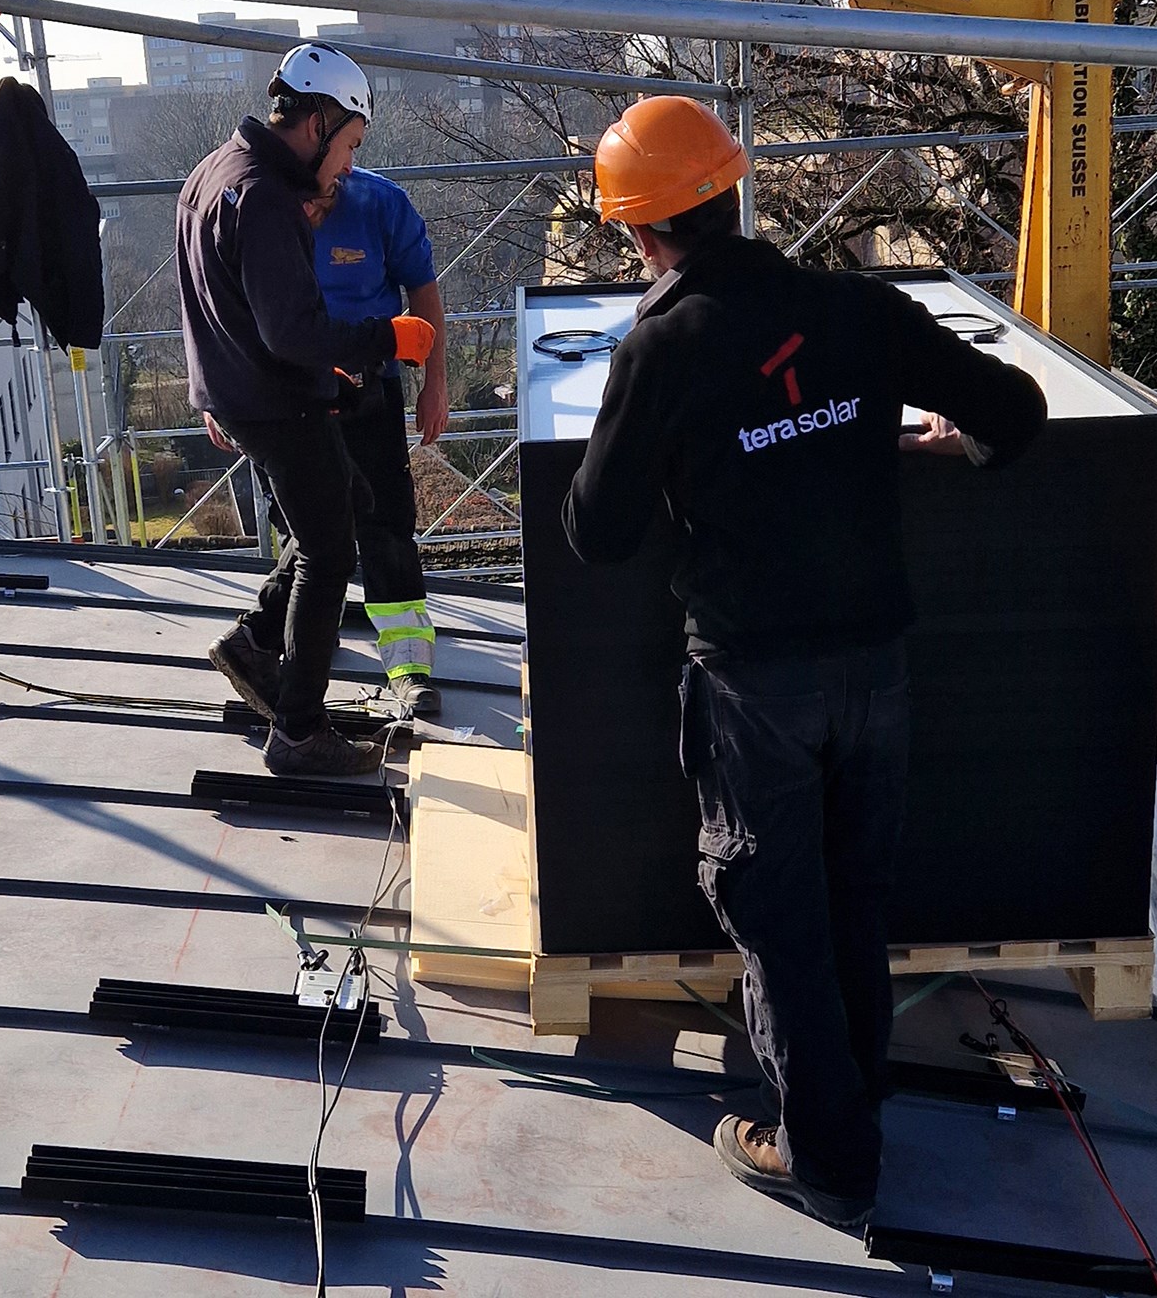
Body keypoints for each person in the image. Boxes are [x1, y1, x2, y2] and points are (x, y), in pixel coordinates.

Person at [562, 96, 1047, 1230]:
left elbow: (598, 530)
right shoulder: (858, 307)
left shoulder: (662, 346)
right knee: (851, 899)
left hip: (754, 681)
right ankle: (852, 1094)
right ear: (734, 194)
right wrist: (938, 439)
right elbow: (1014, 411)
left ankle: (826, 1153)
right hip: (875, 667)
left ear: (642, 235)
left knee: (778, 916)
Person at [177, 43, 436, 777]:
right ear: (318, 122)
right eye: (349, 146)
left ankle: (256, 641)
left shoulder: (212, 172)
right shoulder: (261, 195)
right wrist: (386, 337)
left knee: (346, 502)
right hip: (278, 401)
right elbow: (292, 331)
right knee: (329, 550)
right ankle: (297, 729)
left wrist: (213, 390)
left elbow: (213, 306)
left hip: (242, 394)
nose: (349, 165)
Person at [209, 168, 449, 716]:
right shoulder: (260, 213)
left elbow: (425, 297)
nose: (315, 215)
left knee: (385, 521)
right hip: (294, 395)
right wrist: (217, 394)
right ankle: (289, 646)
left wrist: (434, 384)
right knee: (309, 524)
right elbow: (219, 308)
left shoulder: (380, 205)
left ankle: (406, 662)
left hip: (370, 387)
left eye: (322, 205)